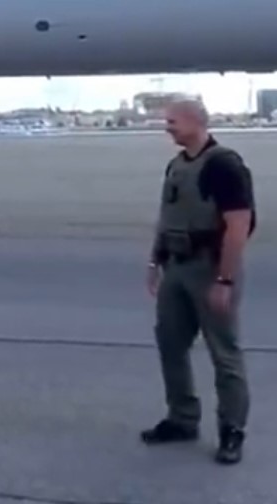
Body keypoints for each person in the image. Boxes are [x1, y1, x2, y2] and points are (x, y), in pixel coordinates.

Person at [142, 99, 255, 465]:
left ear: (194, 121)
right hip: (177, 265)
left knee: (224, 353)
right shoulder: (177, 166)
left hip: (210, 267)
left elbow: (239, 225)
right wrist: (155, 260)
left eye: (172, 121)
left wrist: (224, 279)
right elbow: (168, 215)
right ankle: (182, 418)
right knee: (170, 343)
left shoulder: (224, 165)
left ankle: (232, 431)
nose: (167, 127)